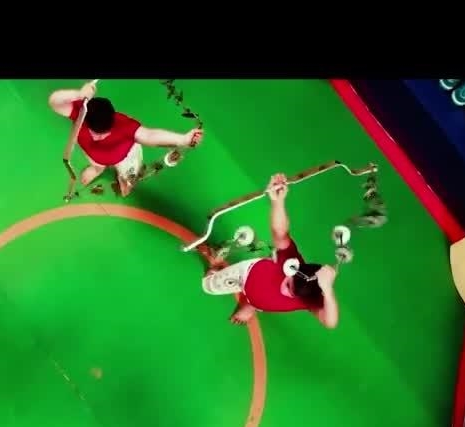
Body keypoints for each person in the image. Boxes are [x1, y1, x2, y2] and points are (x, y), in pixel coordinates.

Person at [202, 173, 340, 329]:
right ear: (293, 268)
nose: (284, 290)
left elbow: (330, 322)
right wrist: (278, 202)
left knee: (258, 301)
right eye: (288, 283)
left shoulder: (310, 299)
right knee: (209, 285)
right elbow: (280, 232)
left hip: (263, 301)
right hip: (245, 275)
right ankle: (221, 269)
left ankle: (251, 304)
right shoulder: (290, 259)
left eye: (291, 292)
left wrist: (328, 290)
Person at [48, 81, 204, 197]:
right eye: (95, 132)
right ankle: (97, 169)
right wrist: (78, 94)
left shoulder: (124, 124)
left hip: (126, 157)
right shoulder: (81, 112)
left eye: (104, 133)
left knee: (130, 175)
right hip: (93, 154)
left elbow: (149, 135)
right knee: (96, 163)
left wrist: (183, 139)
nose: (99, 137)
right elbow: (54, 102)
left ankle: (124, 179)